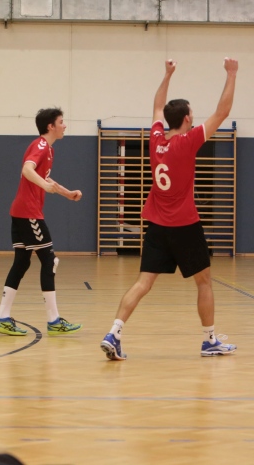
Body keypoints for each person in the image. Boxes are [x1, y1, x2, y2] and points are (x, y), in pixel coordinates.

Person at [100, 58, 238, 361]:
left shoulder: (156, 140)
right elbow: (223, 112)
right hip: (185, 226)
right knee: (204, 281)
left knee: (143, 282)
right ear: (187, 118)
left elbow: (157, 106)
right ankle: (209, 341)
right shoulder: (188, 142)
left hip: (157, 226)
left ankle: (114, 332)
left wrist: (167, 74)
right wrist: (231, 74)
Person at [0, 108, 83, 336]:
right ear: (50, 126)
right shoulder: (41, 145)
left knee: (22, 262)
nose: (65, 125)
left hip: (21, 211)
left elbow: (45, 178)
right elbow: (27, 169)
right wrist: (44, 186)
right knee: (49, 261)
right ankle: (54, 321)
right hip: (28, 212)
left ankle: (2, 317)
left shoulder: (48, 149)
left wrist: (66, 193)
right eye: (61, 122)